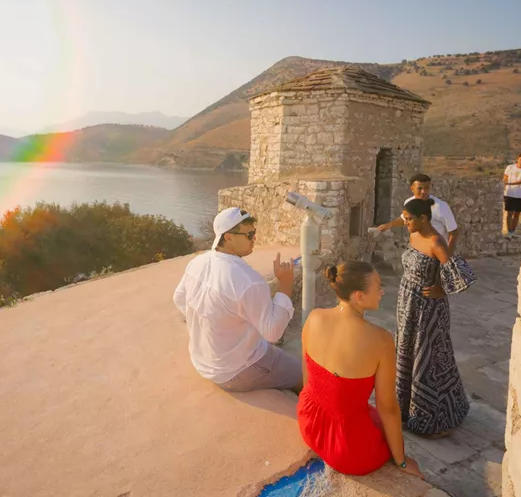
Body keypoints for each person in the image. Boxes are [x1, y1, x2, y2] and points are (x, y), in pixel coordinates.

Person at [297, 261, 425, 478]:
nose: (382, 292)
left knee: (367, 414)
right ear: (359, 296)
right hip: (348, 451)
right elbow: (388, 408)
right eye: (378, 287)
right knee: (381, 427)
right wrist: (401, 460)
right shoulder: (381, 340)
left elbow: (307, 380)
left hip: (308, 422)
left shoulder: (314, 317)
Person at [173, 207, 302, 392]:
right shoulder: (249, 281)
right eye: (249, 235)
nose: (254, 239)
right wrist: (285, 283)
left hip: (202, 360)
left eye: (254, 233)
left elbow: (179, 299)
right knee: (305, 376)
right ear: (228, 237)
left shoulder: (197, 263)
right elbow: (273, 333)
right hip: (236, 369)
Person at [396, 198, 476, 437]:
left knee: (430, 359)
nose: (406, 223)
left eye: (409, 219)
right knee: (407, 352)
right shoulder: (413, 235)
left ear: (423, 218)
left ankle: (437, 419)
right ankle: (405, 411)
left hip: (428, 310)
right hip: (407, 305)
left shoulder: (436, 242)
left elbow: (462, 276)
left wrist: (442, 289)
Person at [374, 174, 459, 253]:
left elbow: (453, 231)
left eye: (426, 188)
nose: (423, 191)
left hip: (435, 252)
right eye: (420, 188)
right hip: (416, 251)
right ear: (412, 188)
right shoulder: (409, 203)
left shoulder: (441, 206)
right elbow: (404, 219)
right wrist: (388, 225)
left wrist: (448, 252)